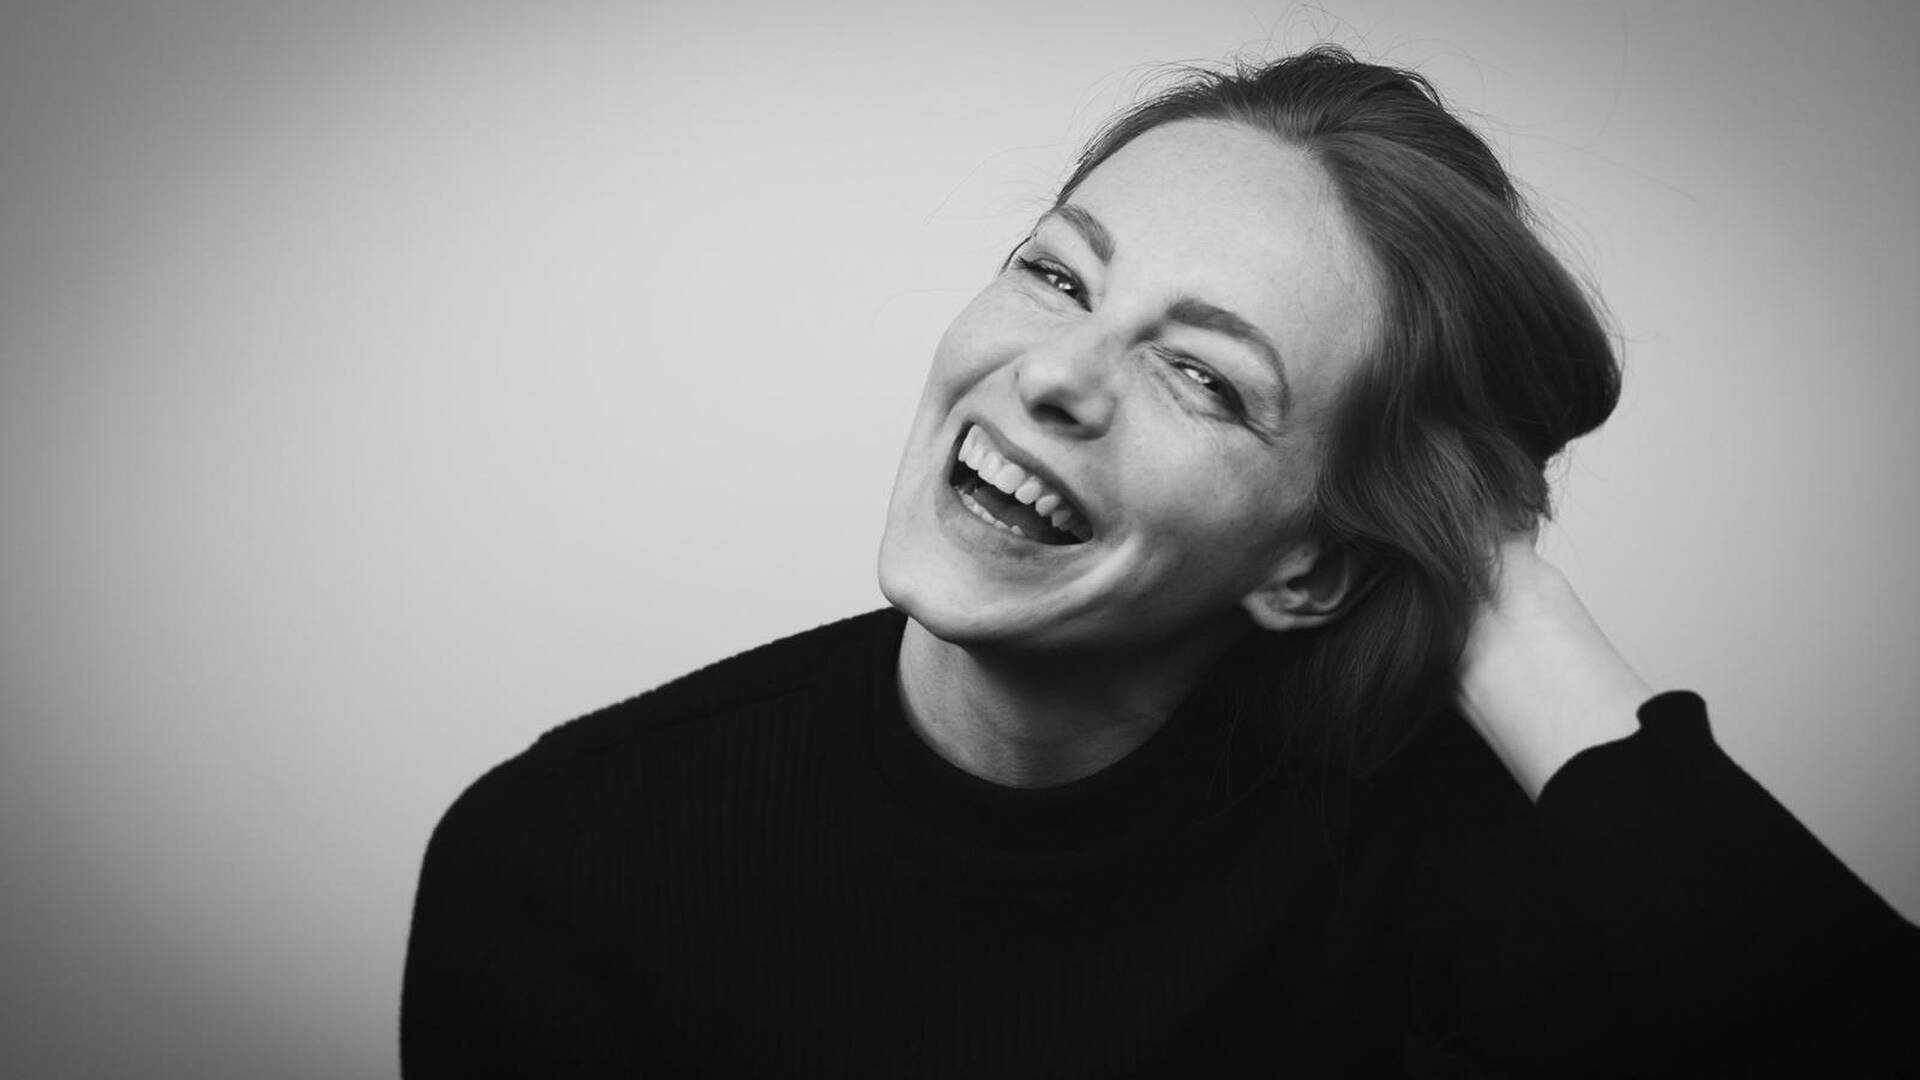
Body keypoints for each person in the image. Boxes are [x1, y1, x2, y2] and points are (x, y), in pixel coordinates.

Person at [400, 47, 1915, 1076]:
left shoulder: (1472, 885)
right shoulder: (563, 869)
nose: (1057, 376)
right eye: (1059, 275)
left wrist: (1517, 622)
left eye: (1204, 374)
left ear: (1309, 570)